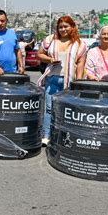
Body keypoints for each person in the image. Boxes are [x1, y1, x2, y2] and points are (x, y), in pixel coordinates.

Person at [37, 15, 87, 145]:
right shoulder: (50, 40)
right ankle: (46, 135)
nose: (63, 29)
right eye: (60, 27)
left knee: (66, 110)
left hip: (69, 82)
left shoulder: (80, 44)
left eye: (66, 26)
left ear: (72, 27)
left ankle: (63, 136)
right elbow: (39, 54)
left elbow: (80, 64)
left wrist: (79, 83)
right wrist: (49, 59)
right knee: (49, 109)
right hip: (52, 79)